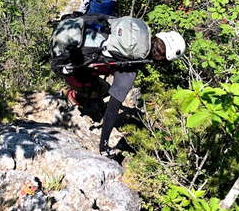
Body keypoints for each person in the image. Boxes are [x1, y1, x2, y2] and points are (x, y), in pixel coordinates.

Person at [50, 14, 186, 157]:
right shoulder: (131, 64)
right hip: (68, 66)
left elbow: (100, 17)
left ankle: (83, 87)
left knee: (102, 84)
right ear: (163, 59)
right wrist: (104, 145)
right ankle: (75, 96)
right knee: (103, 90)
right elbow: (112, 108)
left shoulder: (137, 28)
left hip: (69, 34)